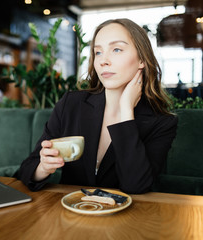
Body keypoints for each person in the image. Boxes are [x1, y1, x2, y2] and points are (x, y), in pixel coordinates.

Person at [17, 18, 178, 194]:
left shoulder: (162, 123)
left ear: (142, 60)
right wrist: (43, 167)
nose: (103, 61)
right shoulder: (71, 104)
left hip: (125, 218)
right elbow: (25, 170)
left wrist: (126, 111)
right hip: (71, 213)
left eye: (116, 49)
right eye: (98, 52)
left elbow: (136, 186)